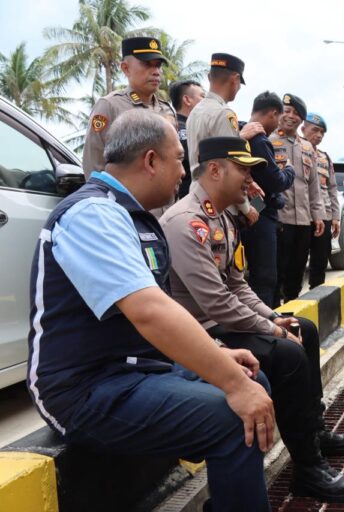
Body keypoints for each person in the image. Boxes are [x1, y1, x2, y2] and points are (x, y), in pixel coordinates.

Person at [28, 110, 274, 511]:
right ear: (150, 160)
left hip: (132, 368)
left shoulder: (131, 215)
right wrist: (229, 382)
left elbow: (153, 317)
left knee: (254, 378)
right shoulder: (94, 214)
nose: (184, 171)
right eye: (179, 158)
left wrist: (219, 358)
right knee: (235, 414)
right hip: (86, 388)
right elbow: (149, 311)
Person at [160, 136, 344, 503]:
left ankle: (313, 433)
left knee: (304, 329)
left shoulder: (222, 216)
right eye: (243, 169)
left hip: (223, 322)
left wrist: (274, 317)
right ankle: (308, 469)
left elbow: (238, 284)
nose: (250, 179)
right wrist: (270, 329)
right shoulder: (186, 222)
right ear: (214, 169)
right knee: (285, 354)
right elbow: (216, 302)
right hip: (200, 334)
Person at [186, 53, 263, 225]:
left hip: (197, 196)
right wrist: (246, 207)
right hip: (221, 204)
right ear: (235, 79)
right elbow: (230, 166)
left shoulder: (195, 112)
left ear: (209, 77)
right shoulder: (224, 114)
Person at [82, 37, 174, 177]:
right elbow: (94, 163)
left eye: (158, 65)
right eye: (147, 64)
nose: (156, 71)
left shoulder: (167, 109)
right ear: (126, 68)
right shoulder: (110, 106)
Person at [240, 92, 296, 307]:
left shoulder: (240, 130)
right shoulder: (259, 139)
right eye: (279, 118)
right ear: (273, 114)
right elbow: (275, 181)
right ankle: (265, 325)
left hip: (246, 210)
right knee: (265, 276)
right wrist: (289, 170)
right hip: (260, 213)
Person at [270, 94, 325, 303]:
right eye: (287, 110)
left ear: (302, 120)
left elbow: (314, 186)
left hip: (303, 220)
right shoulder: (269, 140)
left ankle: (293, 310)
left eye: (296, 113)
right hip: (279, 218)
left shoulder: (307, 147)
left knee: (298, 270)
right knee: (277, 271)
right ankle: (276, 313)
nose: (290, 116)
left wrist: (318, 215)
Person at [302, 113, 340, 289]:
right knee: (296, 260)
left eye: (322, 132)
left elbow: (332, 188)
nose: (319, 135)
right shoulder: (296, 150)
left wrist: (336, 217)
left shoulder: (325, 157)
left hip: (324, 215)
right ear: (303, 129)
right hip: (301, 214)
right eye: (315, 130)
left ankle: (317, 292)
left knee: (320, 259)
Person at [168, 80, 205, 199]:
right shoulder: (177, 128)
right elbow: (195, 155)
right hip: (186, 199)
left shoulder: (197, 127)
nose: (206, 102)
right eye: (202, 96)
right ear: (187, 100)